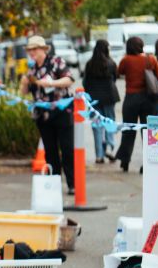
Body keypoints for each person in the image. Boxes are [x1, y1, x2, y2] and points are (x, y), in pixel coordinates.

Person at [19, 35, 75, 193]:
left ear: (43, 49)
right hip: (42, 116)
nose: (32, 53)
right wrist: (24, 83)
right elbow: (24, 92)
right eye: (30, 50)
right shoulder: (32, 70)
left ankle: (72, 184)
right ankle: (54, 183)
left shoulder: (56, 61)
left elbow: (69, 79)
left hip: (62, 111)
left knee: (67, 149)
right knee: (50, 152)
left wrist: (51, 83)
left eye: (35, 49)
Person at [111, 36, 158, 173]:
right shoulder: (151, 59)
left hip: (131, 98)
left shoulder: (126, 60)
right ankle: (149, 163)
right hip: (148, 99)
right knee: (148, 131)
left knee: (129, 129)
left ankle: (125, 161)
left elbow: (119, 71)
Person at [82, 39, 119, 164]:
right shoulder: (111, 63)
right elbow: (115, 79)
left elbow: (84, 82)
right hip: (109, 96)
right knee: (109, 121)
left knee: (97, 126)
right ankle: (109, 147)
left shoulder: (89, 64)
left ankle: (99, 155)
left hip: (93, 99)